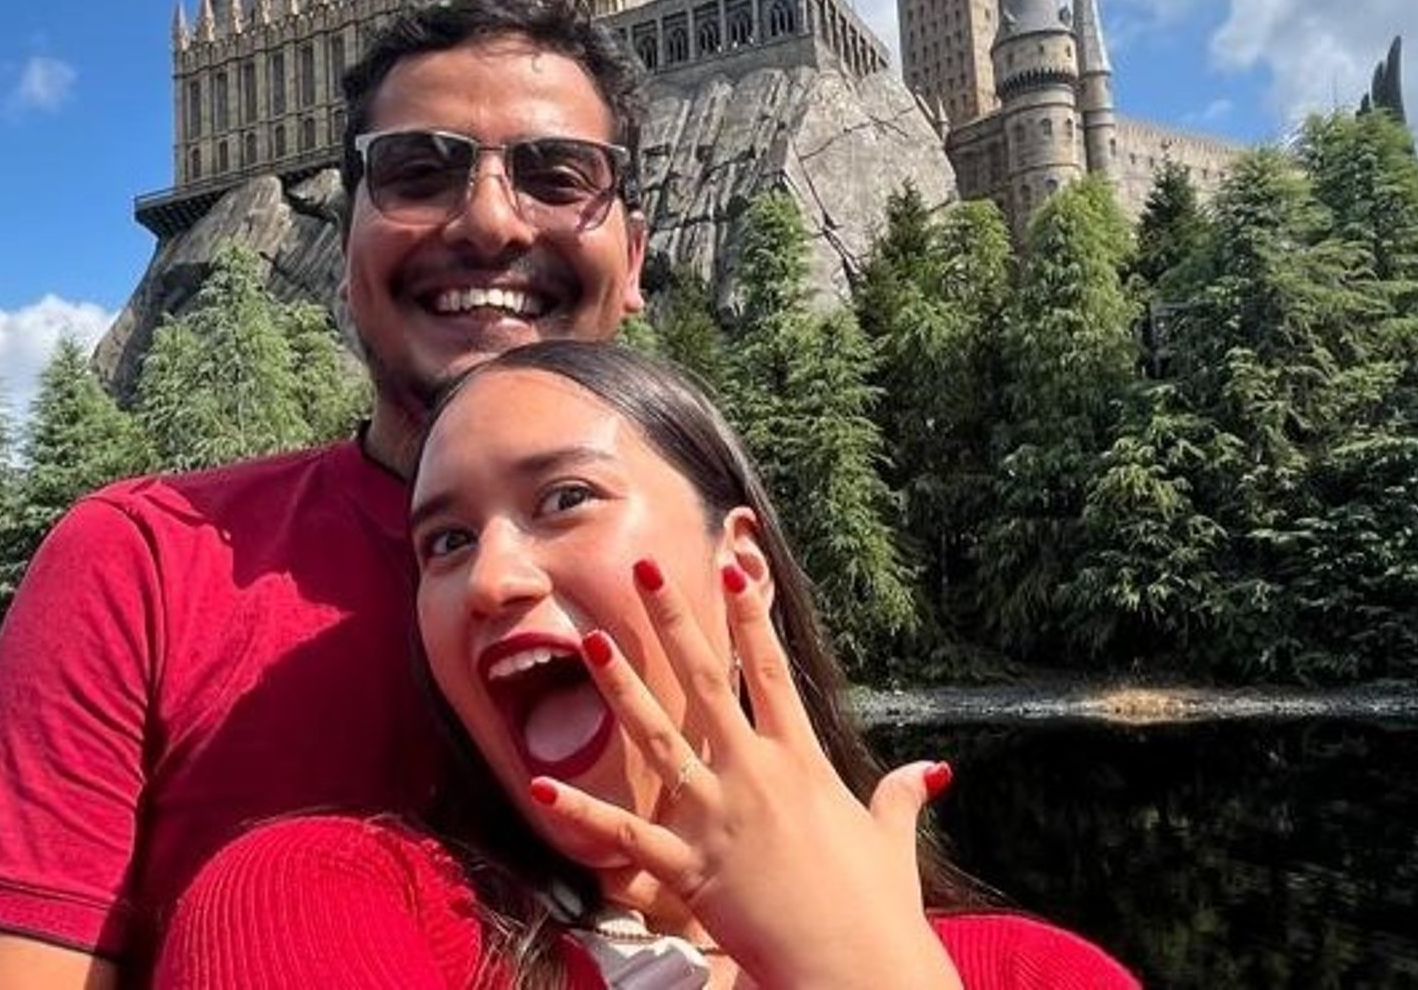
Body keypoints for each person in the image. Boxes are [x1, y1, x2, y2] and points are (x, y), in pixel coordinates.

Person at [0, 0, 651, 989]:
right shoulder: (143, 564)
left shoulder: (714, 564)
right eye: (417, 171)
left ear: (637, 254)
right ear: (342, 248)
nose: (489, 221)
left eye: (558, 174)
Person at [153, 341, 1140, 989]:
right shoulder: (316, 895)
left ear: (738, 566)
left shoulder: (1031, 971)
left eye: (565, 496)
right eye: (443, 542)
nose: (490, 575)